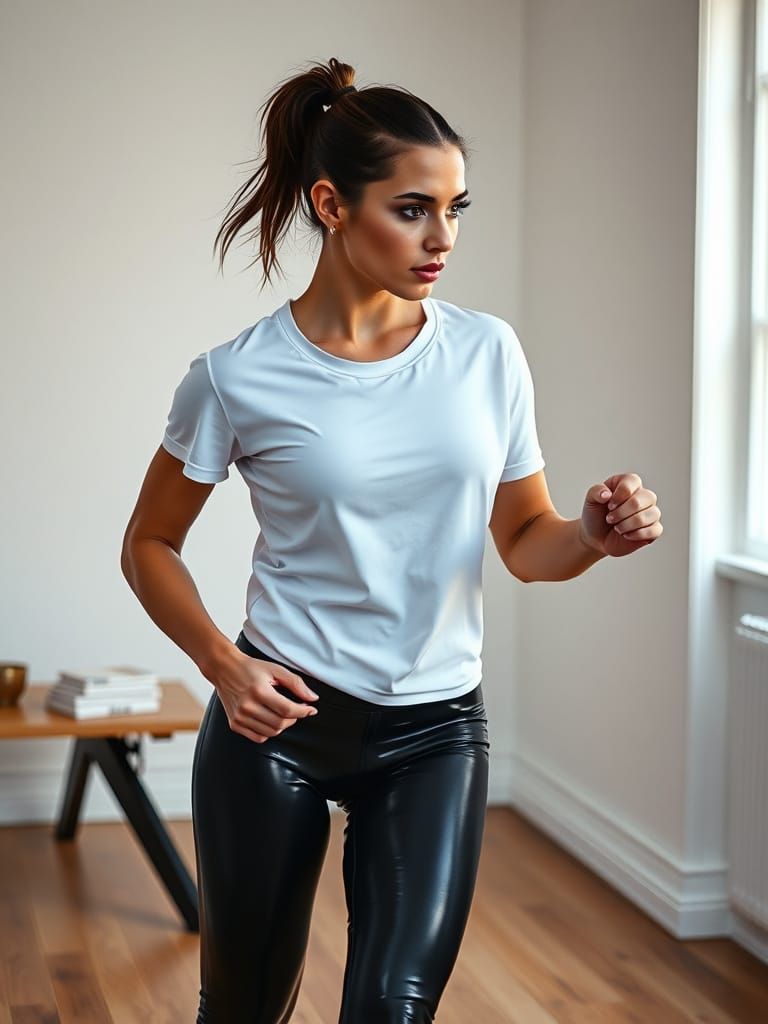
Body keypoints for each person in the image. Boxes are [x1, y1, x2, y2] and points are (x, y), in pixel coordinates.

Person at [120, 57, 663, 1024]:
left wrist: (590, 533)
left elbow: (526, 542)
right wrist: (221, 666)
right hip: (275, 719)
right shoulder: (236, 376)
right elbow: (149, 544)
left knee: (393, 1007)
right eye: (413, 209)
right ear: (331, 204)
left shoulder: (487, 352)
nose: (442, 238)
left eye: (457, 208)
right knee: (242, 1008)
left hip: (435, 728)